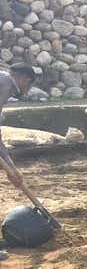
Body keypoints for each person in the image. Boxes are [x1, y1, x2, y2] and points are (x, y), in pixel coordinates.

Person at [0, 64, 40, 207]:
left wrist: (12, 169)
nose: (27, 91)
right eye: (29, 85)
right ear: (24, 79)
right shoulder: (5, 82)